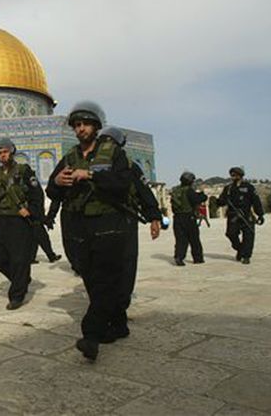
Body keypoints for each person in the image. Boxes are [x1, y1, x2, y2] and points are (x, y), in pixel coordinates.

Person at [46, 101, 133, 362]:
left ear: (96, 126)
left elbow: (123, 184)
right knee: (92, 277)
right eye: (77, 125)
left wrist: (92, 176)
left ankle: (91, 335)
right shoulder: (70, 156)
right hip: (79, 226)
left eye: (85, 124)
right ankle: (118, 324)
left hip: (109, 224)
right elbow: (52, 190)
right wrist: (58, 182)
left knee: (105, 278)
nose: (80, 129)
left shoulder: (113, 153)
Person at [97, 126, 161, 338]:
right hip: (110, 221)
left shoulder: (127, 166)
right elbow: (145, 192)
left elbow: (142, 191)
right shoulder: (94, 165)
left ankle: (116, 316)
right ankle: (115, 315)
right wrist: (153, 216)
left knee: (120, 266)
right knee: (120, 267)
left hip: (121, 221)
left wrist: (153, 216)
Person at [0, 137, 43, 310]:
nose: (3, 155)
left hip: (19, 221)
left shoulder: (24, 171)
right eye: (0, 153)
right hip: (1, 221)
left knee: (18, 259)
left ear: (12, 152)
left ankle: (17, 295)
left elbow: (37, 194)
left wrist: (30, 210)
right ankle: (22, 279)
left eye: (5, 152)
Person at [216, 167, 265, 264]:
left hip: (246, 214)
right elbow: (222, 201)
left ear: (240, 175)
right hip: (233, 215)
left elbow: (256, 201)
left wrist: (260, 214)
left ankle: (246, 256)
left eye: (235, 175)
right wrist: (219, 202)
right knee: (231, 234)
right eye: (232, 175)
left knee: (248, 236)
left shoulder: (249, 187)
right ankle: (240, 249)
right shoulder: (228, 188)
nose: (233, 177)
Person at [170, 171, 207, 266]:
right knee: (194, 239)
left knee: (180, 239)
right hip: (188, 217)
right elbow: (196, 199)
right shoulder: (189, 190)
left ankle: (179, 256)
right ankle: (198, 258)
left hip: (177, 218)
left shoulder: (176, 190)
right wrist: (203, 195)